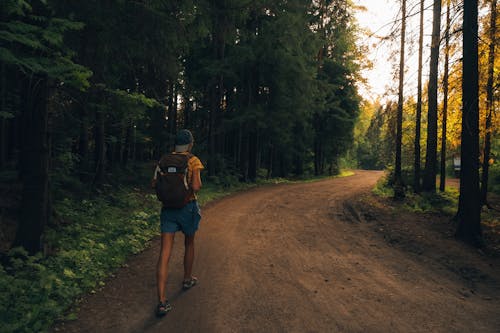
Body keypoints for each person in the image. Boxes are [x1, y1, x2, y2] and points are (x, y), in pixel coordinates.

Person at [151, 129, 204, 317]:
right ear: (189, 144)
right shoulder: (193, 160)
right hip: (187, 207)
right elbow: (196, 186)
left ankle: (162, 301)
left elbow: (153, 183)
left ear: (175, 145)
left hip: (167, 210)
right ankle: (187, 279)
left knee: (165, 252)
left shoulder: (163, 160)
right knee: (189, 242)